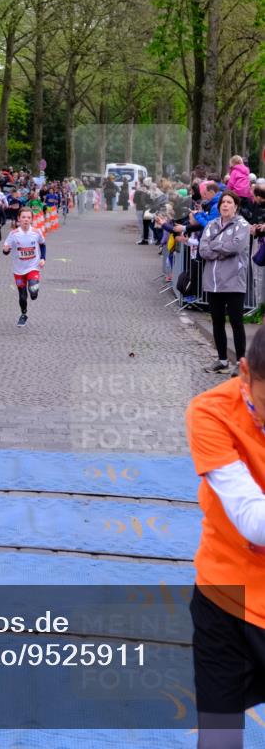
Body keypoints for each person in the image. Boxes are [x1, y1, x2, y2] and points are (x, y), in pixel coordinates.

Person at [186, 326, 265, 748]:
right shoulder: (211, 411)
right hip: (225, 601)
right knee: (218, 739)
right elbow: (252, 519)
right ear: (245, 372)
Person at [199, 191, 251, 377]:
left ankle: (240, 362)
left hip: (234, 281)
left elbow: (235, 247)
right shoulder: (212, 225)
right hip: (213, 282)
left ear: (236, 206)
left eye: (229, 202)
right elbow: (203, 250)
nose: (225, 205)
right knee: (217, 322)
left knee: (236, 322)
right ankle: (221, 360)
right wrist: (220, 249)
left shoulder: (242, 225)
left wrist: (215, 247)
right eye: (223, 202)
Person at [3, 206, 46, 326]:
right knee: (22, 296)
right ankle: (23, 314)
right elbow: (6, 250)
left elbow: (43, 245)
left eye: (28, 217)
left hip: (33, 267)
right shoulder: (13, 234)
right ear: (19, 219)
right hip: (18, 269)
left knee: (33, 292)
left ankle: (34, 290)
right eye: (23, 217)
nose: (26, 220)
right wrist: (6, 249)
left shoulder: (36, 232)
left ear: (32, 219)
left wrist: (43, 258)